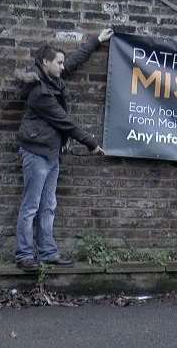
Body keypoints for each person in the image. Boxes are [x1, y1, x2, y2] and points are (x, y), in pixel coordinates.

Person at [13, 28, 114, 271]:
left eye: (61, 62)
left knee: (48, 206)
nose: (62, 66)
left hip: (51, 154)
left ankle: (47, 252)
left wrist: (96, 41)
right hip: (36, 154)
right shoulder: (39, 92)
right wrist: (92, 143)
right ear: (45, 63)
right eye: (58, 62)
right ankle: (24, 255)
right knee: (31, 207)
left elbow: (74, 61)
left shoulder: (53, 79)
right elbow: (65, 123)